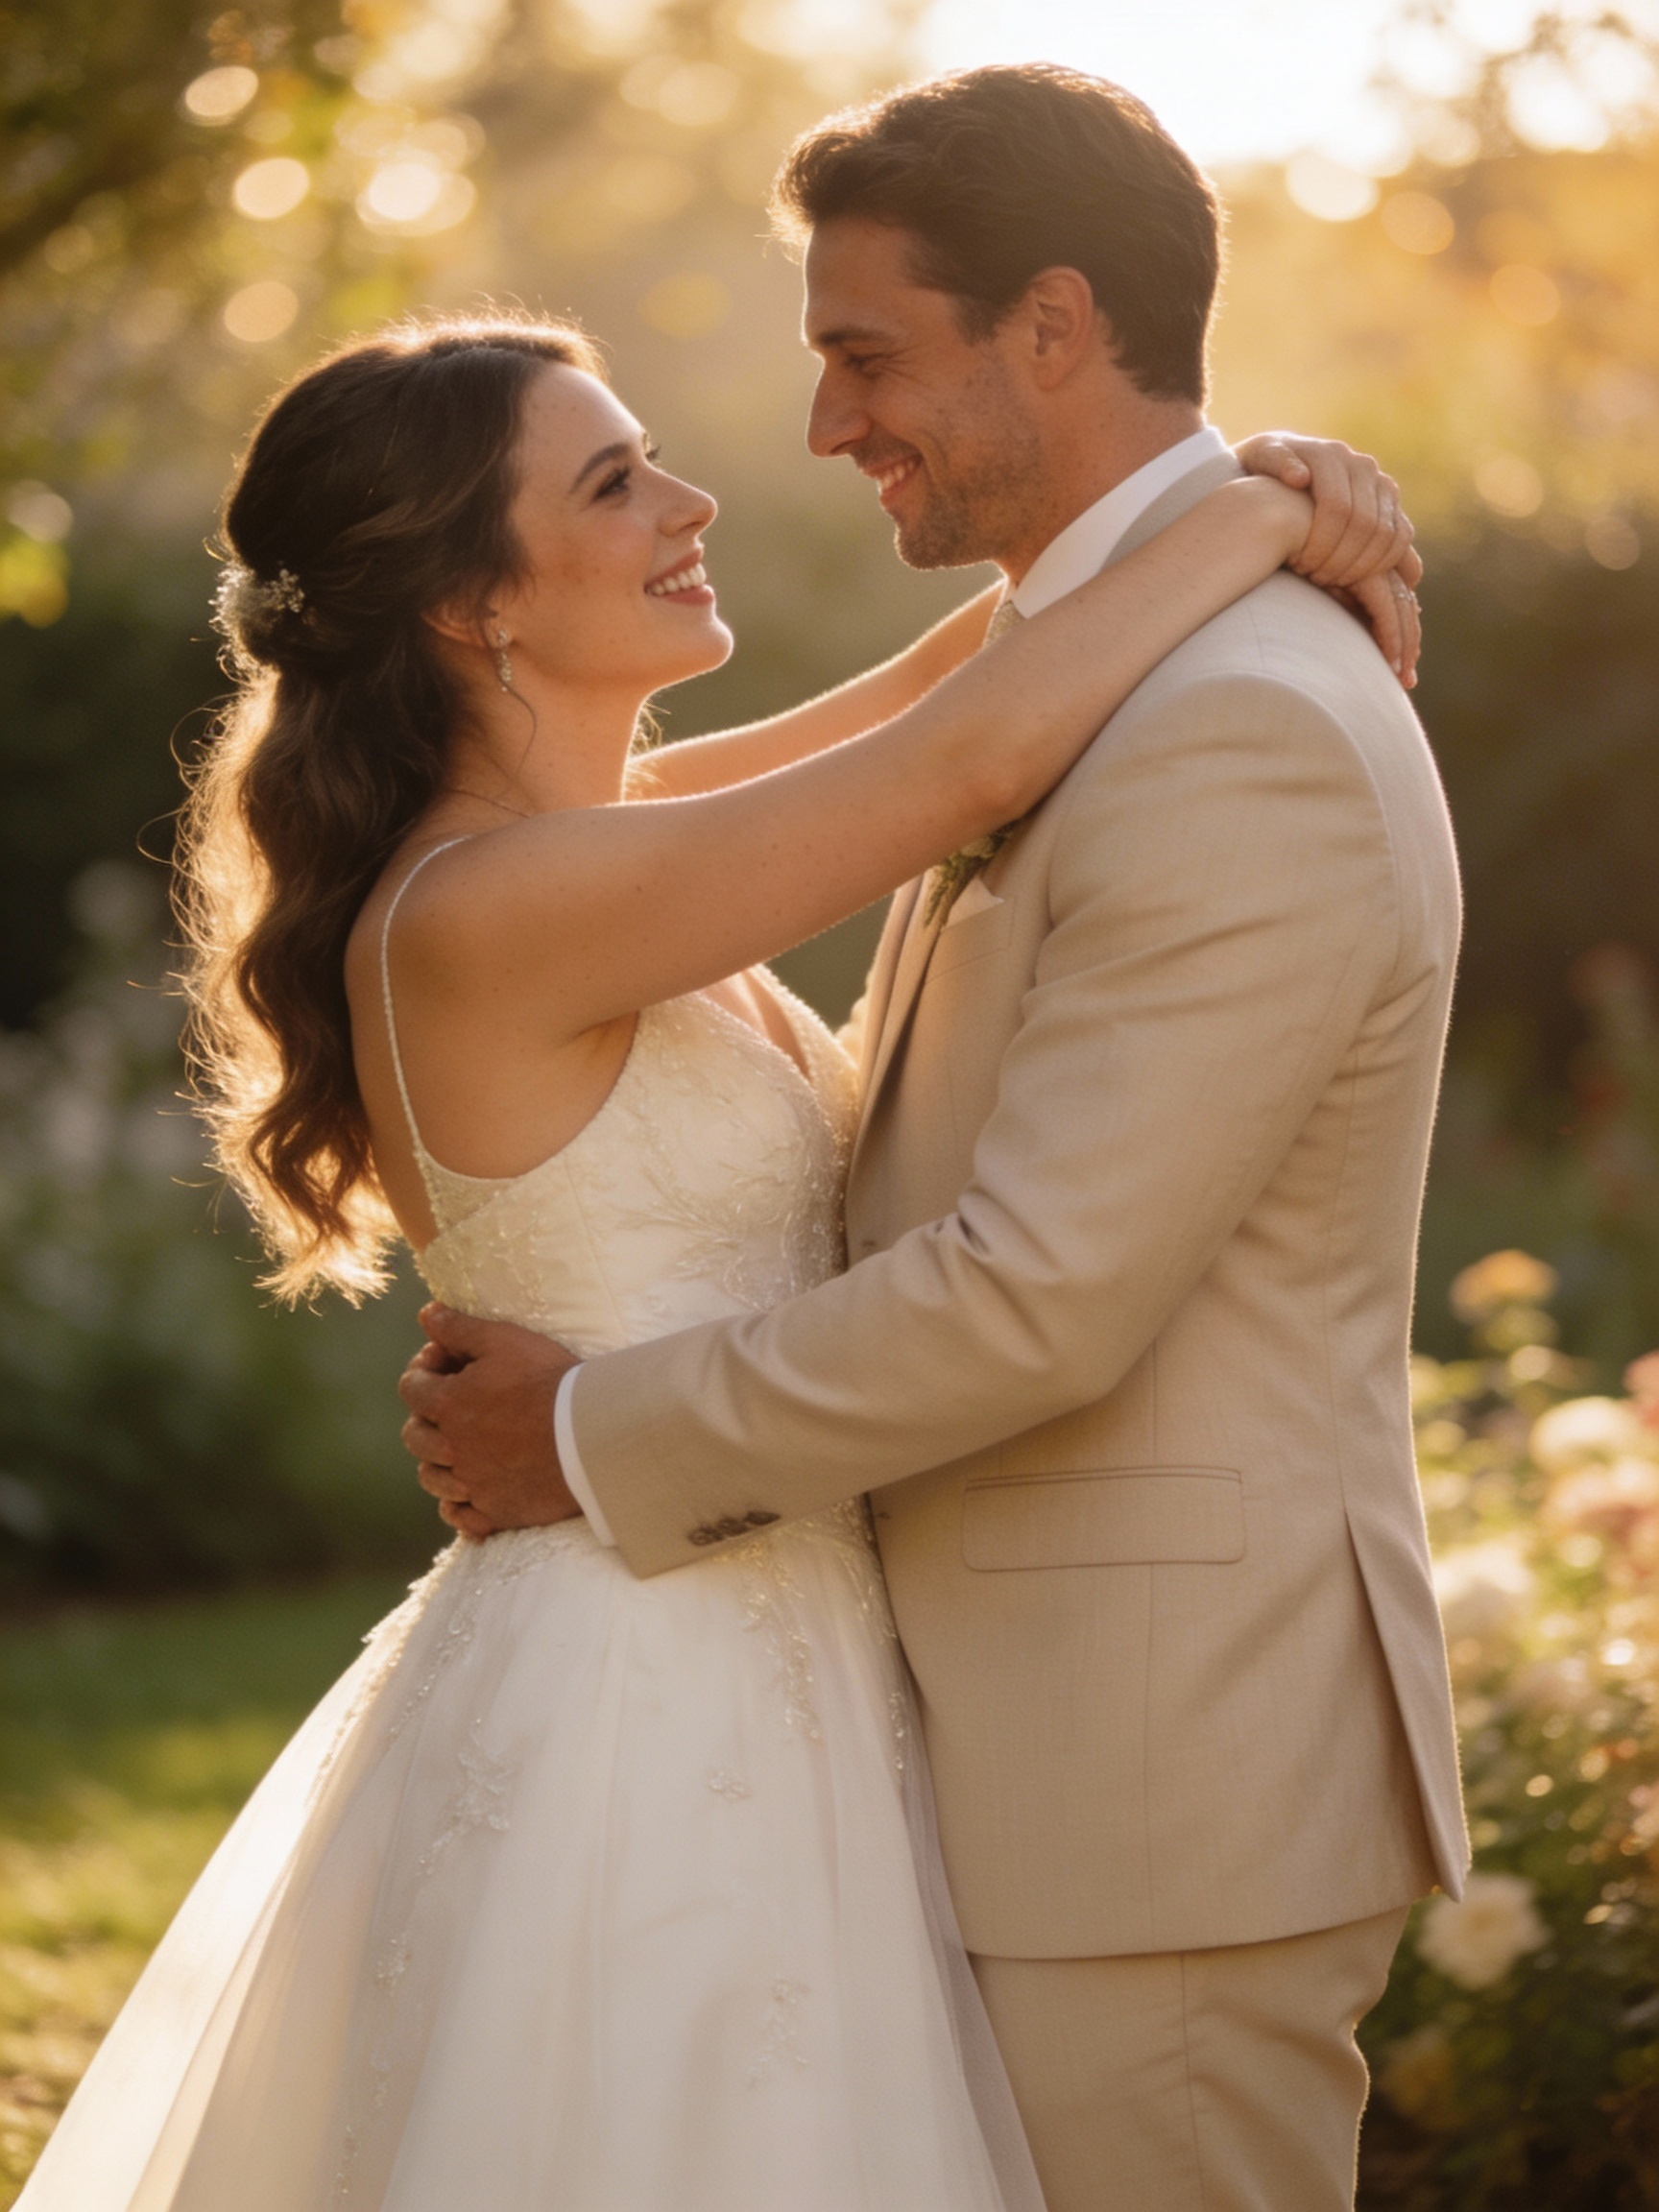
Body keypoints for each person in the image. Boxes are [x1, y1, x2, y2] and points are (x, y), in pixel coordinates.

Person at [15, 294, 1416, 2208]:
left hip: (788, 1625)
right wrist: (1260, 529)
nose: (691, 497)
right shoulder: (496, 908)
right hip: (644, 1676)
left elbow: (972, 674)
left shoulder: (609, 840)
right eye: (612, 481)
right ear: (469, 600)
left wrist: (1254, 476)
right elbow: (966, 763)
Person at [397, 64, 1468, 2212]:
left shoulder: (1231, 720)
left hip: (1153, 1793)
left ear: (1053, 328)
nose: (819, 429)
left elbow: (1041, 1293)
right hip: (985, 1757)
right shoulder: (1093, 676)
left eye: (863, 354)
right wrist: (1256, 497)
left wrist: (596, 1434)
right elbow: (932, 745)